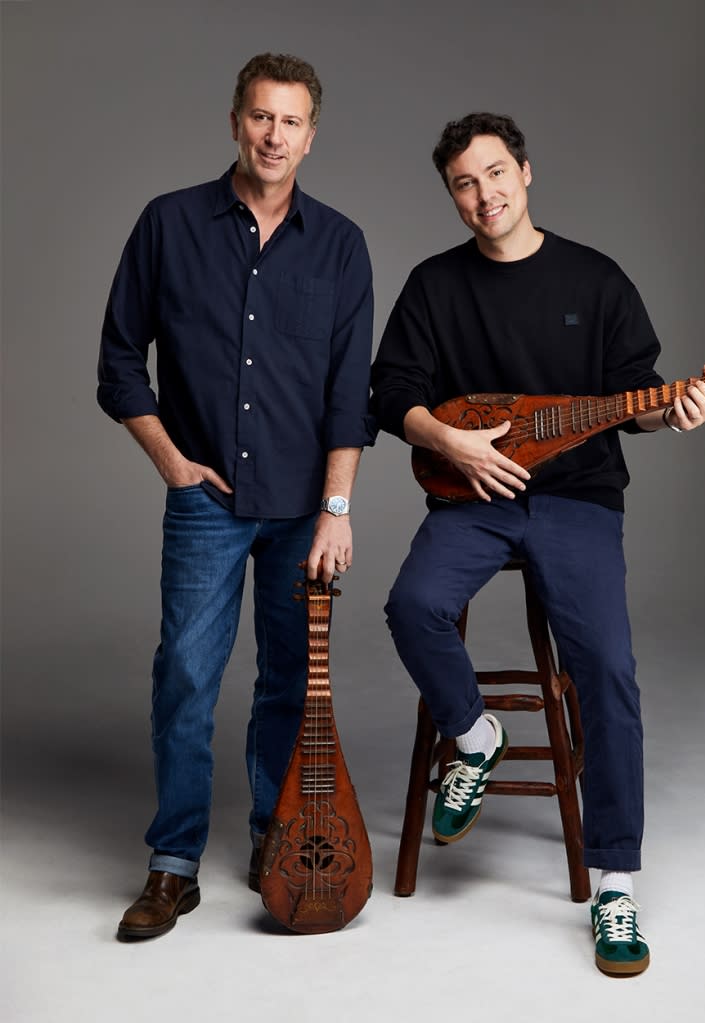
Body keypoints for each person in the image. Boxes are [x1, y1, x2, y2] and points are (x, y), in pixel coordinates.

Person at [370, 112, 705, 976]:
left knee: (605, 666)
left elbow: (636, 395)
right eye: (463, 182)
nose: (483, 194)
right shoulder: (433, 287)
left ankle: (616, 884)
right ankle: (475, 735)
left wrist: (678, 409)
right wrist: (452, 444)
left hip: (577, 501)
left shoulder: (596, 280)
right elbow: (393, 395)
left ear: (526, 173)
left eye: (495, 173)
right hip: (473, 494)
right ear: (452, 197)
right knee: (412, 604)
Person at [97, 53, 374, 941]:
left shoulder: (340, 244)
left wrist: (336, 508)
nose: (273, 135)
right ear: (234, 122)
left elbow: (349, 394)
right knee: (185, 673)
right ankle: (174, 863)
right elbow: (116, 361)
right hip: (208, 500)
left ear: (311, 135)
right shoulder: (169, 223)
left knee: (290, 684)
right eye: (260, 116)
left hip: (303, 509)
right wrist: (171, 460)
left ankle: (274, 838)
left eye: (290, 121)